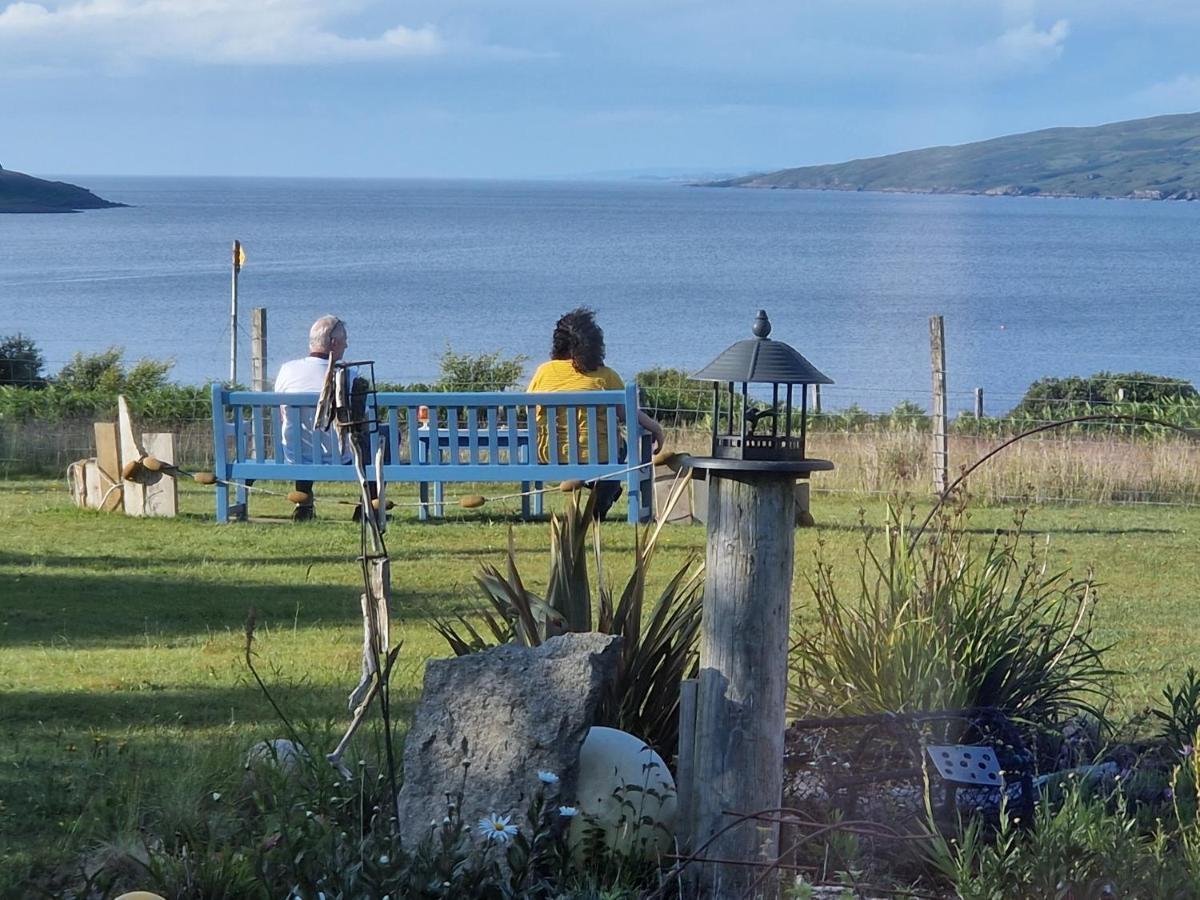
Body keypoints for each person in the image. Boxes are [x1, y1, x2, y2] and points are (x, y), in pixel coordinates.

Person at [527, 307, 664, 521]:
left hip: (549, 455)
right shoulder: (606, 377)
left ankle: (603, 490)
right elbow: (626, 413)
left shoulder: (544, 372)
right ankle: (604, 495)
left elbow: (532, 409)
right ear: (595, 345)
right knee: (620, 448)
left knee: (606, 450)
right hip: (599, 456)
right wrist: (655, 427)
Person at [274, 315, 352, 521]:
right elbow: (362, 420)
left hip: (295, 454)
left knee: (300, 437)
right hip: (340, 456)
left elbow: (282, 413)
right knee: (385, 436)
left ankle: (305, 505)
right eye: (345, 340)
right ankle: (368, 506)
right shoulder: (347, 375)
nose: (347, 344)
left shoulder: (287, 370)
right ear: (333, 343)